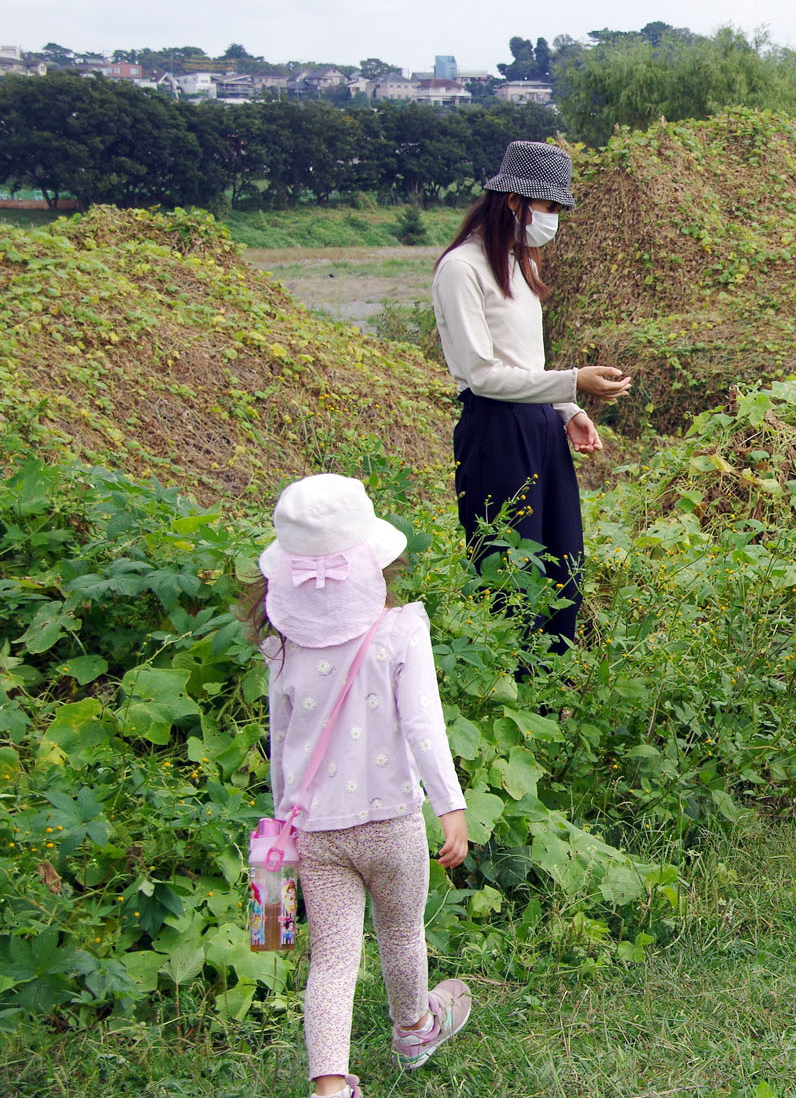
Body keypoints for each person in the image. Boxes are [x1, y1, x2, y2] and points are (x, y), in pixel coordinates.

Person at [250, 474, 474, 1098]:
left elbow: (283, 750)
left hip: (316, 833)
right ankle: (414, 1028)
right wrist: (450, 806)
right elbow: (424, 723)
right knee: (402, 933)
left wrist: (281, 826)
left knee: (332, 961)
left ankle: (328, 1084)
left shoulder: (282, 647)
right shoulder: (401, 632)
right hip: (392, 822)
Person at [431, 140, 632, 649]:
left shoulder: (523, 264)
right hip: (496, 431)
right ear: (515, 202)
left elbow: (528, 361)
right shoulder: (463, 268)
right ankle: (509, 693)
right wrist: (571, 381)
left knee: (563, 560)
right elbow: (483, 375)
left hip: (539, 423)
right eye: (548, 207)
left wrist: (568, 409)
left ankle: (551, 691)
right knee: (510, 572)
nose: (553, 220)